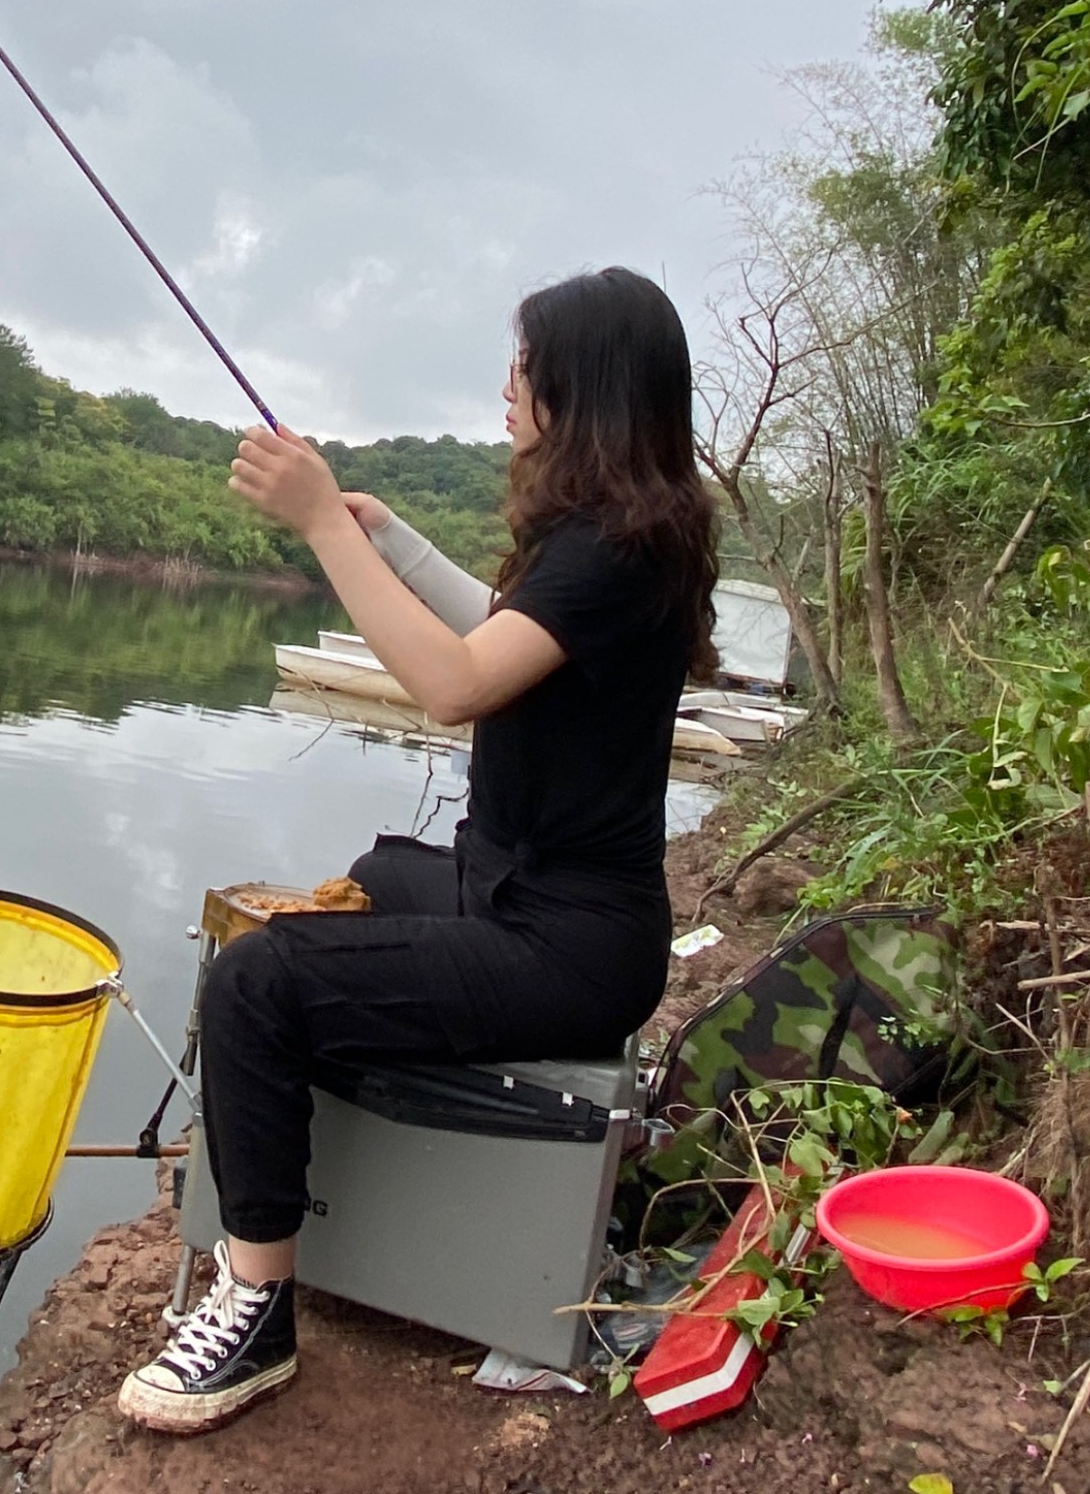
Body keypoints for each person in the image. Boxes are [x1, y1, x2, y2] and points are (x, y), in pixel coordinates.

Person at [115, 266, 720, 1435]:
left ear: (577, 388)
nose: (508, 386)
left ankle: (255, 1305)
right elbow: (500, 635)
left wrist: (315, 526)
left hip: (566, 941)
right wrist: (386, 542)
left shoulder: (610, 549)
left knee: (256, 981)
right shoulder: (623, 533)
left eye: (525, 366)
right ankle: (294, 1135)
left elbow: (454, 684)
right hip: (538, 902)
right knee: (385, 871)